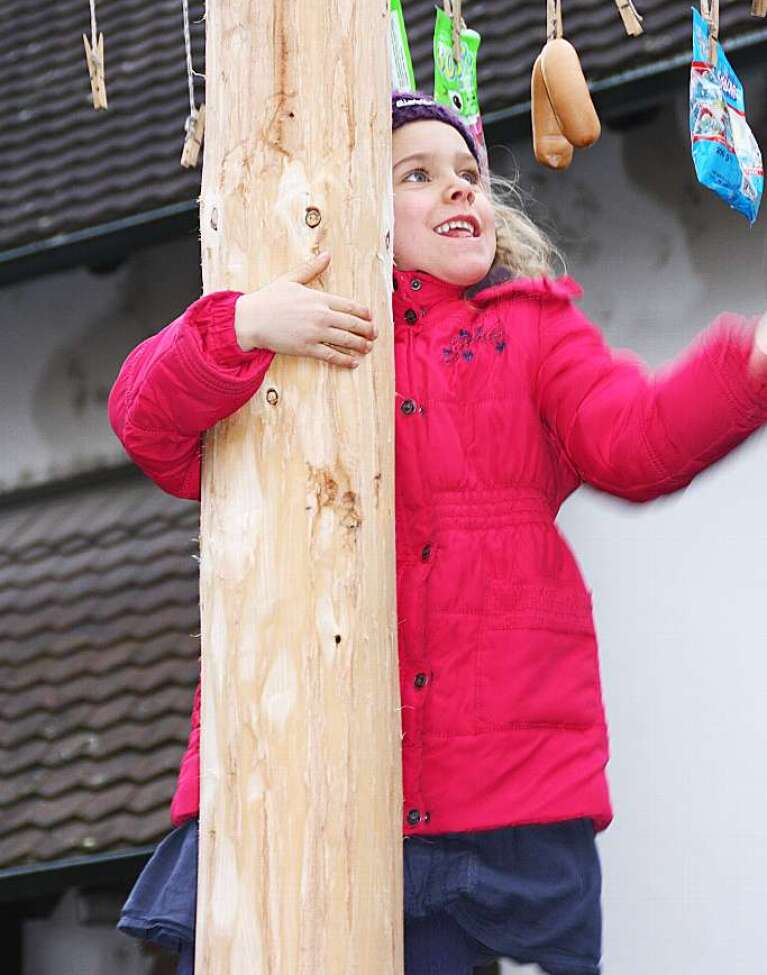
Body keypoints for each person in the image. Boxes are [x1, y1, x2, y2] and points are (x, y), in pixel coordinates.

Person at [112, 91, 767, 975]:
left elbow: (635, 440)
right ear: (354, 204)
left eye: (468, 175)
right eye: (416, 175)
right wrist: (240, 323)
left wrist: (751, 362)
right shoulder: (287, 331)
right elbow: (145, 421)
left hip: (488, 799)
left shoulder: (533, 330)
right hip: (296, 780)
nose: (459, 191)